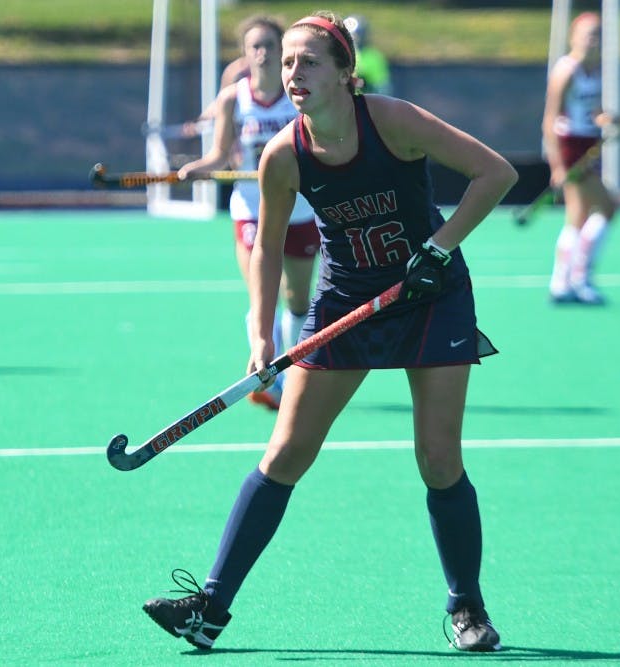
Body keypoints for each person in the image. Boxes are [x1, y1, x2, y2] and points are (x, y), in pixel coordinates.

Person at [142, 10, 517, 653]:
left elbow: (496, 174)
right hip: (346, 300)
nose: (294, 73)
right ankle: (210, 607)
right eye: (288, 62)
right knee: (286, 453)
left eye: (309, 62)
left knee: (438, 459)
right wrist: (261, 335)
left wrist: (440, 247)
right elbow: (266, 248)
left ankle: (467, 608)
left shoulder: (393, 122)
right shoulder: (284, 154)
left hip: (431, 295)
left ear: (347, 73)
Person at [176, 15, 320, 410]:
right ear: (245, 52)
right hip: (252, 209)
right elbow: (220, 155)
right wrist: (197, 169)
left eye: (270, 46)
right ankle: (270, 379)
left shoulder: (300, 96)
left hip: (300, 208)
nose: (262, 53)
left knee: (297, 300)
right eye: (255, 46)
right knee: (262, 295)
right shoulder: (233, 99)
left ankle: (296, 370)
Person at [542, 11, 620, 306]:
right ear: (573, 37)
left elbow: (593, 112)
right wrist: (557, 165)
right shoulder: (566, 71)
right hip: (571, 148)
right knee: (607, 207)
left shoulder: (595, 70)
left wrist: (612, 120)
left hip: (589, 145)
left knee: (578, 216)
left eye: (598, 35)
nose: (594, 41)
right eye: (588, 35)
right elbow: (550, 120)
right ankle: (580, 278)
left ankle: (562, 283)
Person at [343, 14, 392, 95]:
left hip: (364, 100)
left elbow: (381, 87)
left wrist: (361, 81)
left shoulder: (373, 57)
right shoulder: (335, 54)